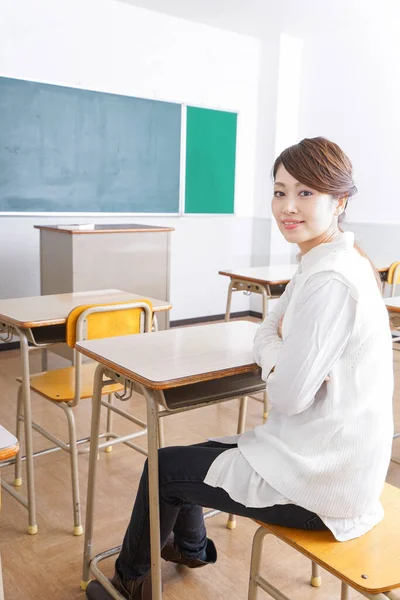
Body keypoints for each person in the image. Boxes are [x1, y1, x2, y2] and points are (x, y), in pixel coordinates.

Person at [87, 137, 394, 600]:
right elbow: (271, 323)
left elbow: (286, 390)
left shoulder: (330, 278)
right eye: (279, 191)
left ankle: (128, 581)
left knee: (163, 469)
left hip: (322, 484)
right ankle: (189, 545)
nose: (287, 206)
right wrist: (277, 345)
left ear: (340, 201)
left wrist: (273, 350)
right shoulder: (330, 260)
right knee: (197, 451)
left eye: (306, 192)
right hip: (329, 460)